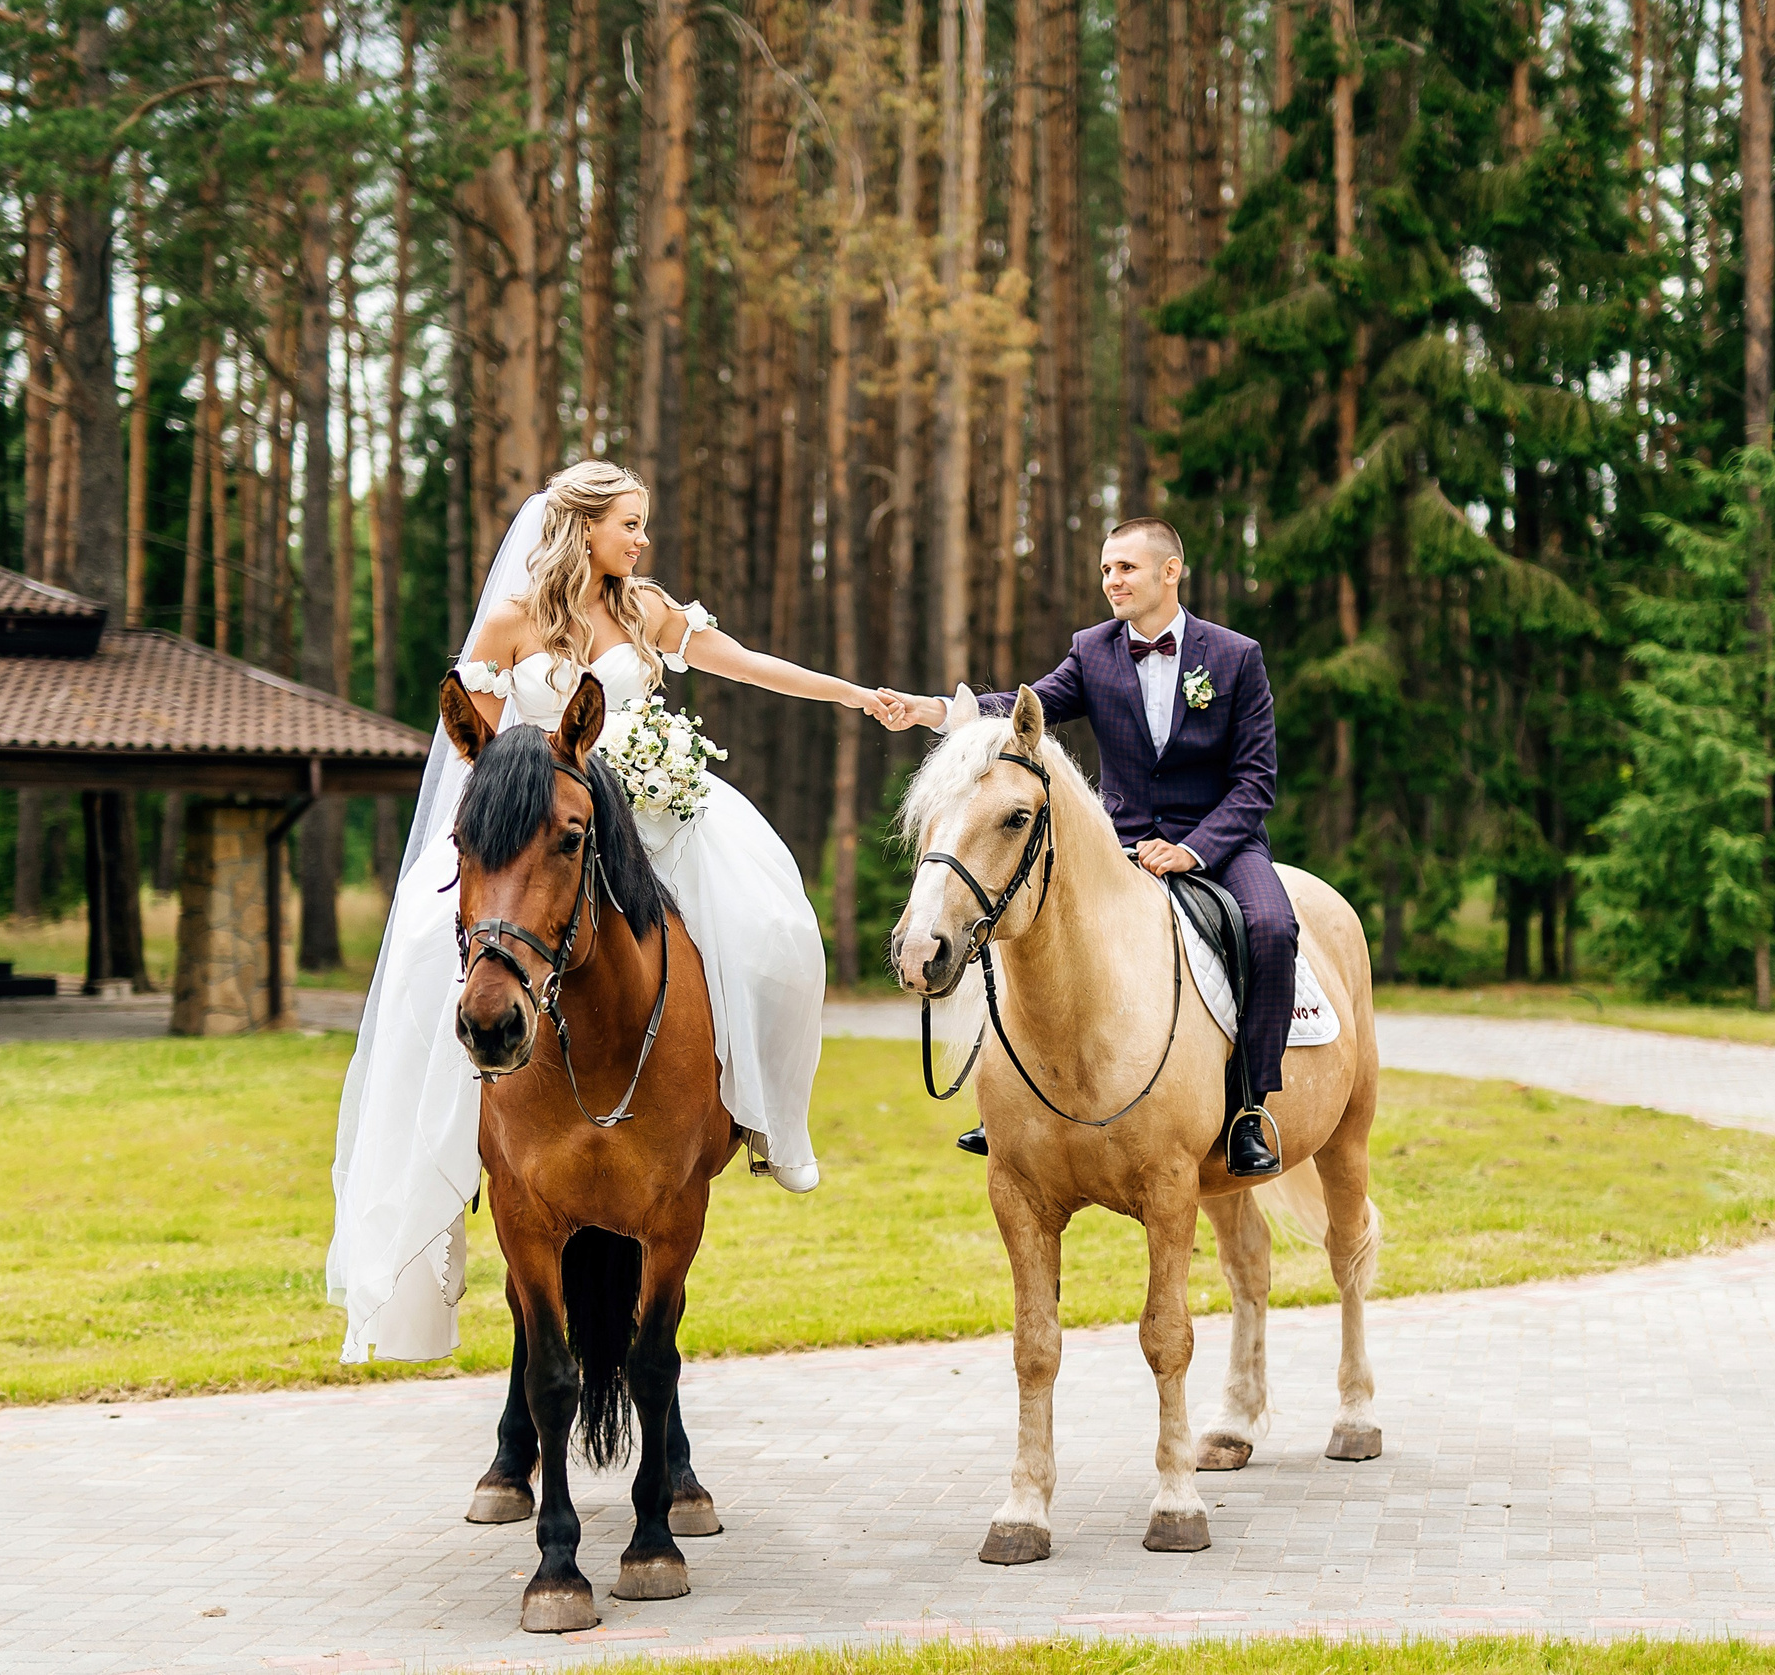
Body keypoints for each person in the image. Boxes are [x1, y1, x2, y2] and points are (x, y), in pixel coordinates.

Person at [327, 459, 901, 1364]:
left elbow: (743, 664)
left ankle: (764, 1117)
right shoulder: (514, 620)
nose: (641, 540)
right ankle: (460, 1134)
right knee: (434, 971)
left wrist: (852, 693)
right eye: (628, 524)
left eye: (642, 525)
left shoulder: (645, 610)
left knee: (773, 931)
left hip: (654, 823)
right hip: (546, 834)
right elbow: (474, 742)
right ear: (582, 526)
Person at [879, 516, 1293, 1179]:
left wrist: (1192, 848)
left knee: (1272, 928)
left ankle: (1249, 1107)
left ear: (1169, 571)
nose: (1111, 580)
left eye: (1124, 567)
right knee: (1022, 921)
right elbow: (1021, 708)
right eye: (1105, 569)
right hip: (1119, 843)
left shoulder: (1235, 656)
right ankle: (1004, 1103)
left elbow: (1255, 782)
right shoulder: (1093, 650)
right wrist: (937, 711)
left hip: (1220, 839)